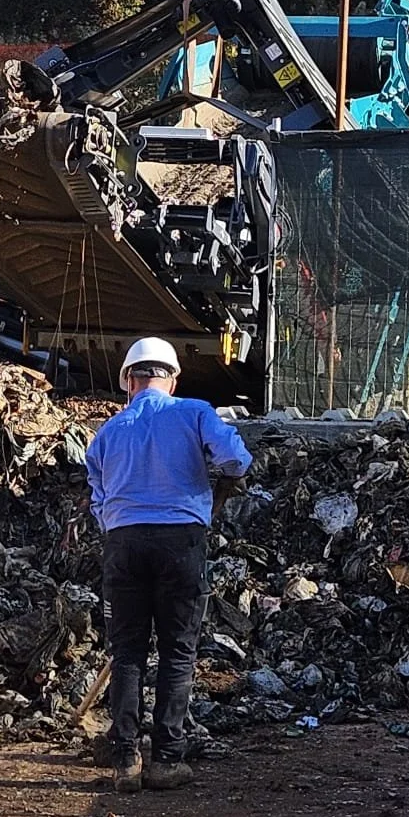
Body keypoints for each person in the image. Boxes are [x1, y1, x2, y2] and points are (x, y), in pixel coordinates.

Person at [85, 337, 252, 793]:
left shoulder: (108, 432)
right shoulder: (195, 412)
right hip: (182, 542)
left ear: (128, 383)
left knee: (128, 652)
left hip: (123, 544)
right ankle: (167, 760)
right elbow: (236, 459)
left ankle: (125, 761)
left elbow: (98, 499)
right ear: (173, 378)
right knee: (178, 652)